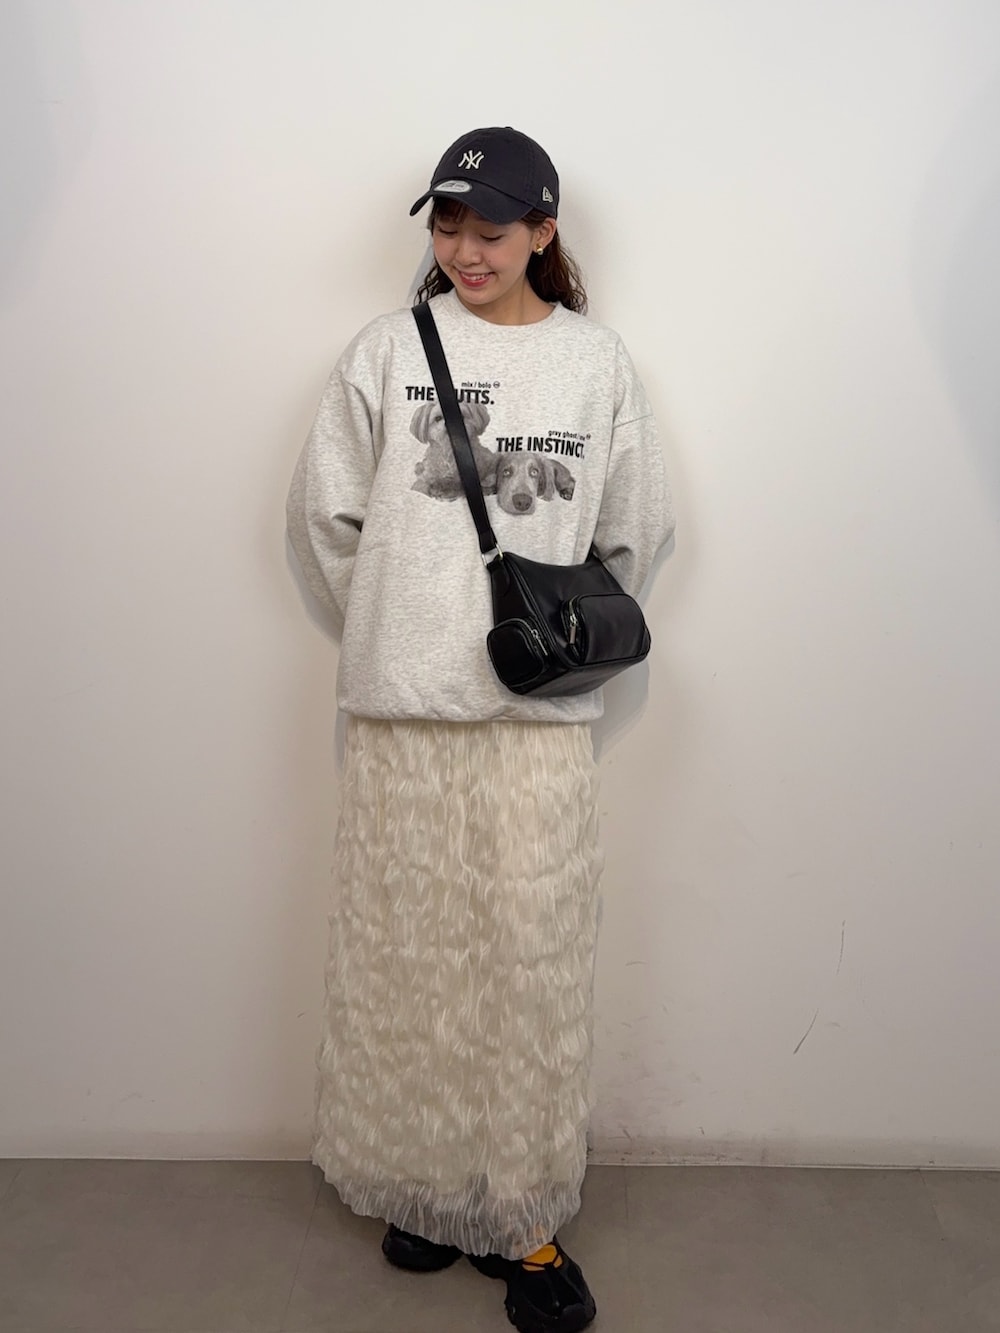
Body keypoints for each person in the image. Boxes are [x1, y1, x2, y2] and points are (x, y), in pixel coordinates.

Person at [287, 126, 674, 1333]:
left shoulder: (593, 363)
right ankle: (428, 1189)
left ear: (543, 232)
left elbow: (634, 532)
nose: (466, 248)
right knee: (404, 966)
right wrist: (403, 623)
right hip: (403, 714)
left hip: (530, 721)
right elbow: (324, 521)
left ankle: (522, 1217)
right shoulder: (386, 349)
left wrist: (544, 638)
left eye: (492, 228)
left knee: (526, 972)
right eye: (448, 224)